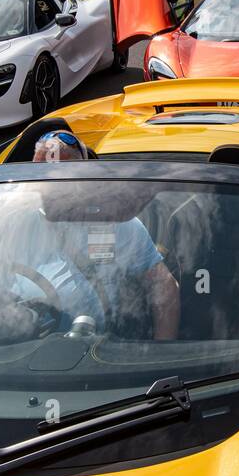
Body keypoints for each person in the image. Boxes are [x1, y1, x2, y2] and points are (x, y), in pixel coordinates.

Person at [30, 130, 180, 339]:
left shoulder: (117, 223)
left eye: (61, 177)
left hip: (97, 350)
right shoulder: (14, 223)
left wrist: (162, 352)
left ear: (83, 177)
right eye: (42, 177)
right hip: (22, 347)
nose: (50, 187)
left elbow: (164, 286)